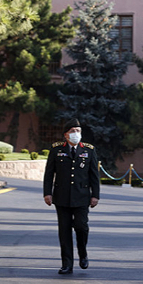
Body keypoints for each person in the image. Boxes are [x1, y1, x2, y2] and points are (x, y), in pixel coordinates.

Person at [43, 118, 100, 275]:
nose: (76, 134)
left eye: (78, 131)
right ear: (66, 135)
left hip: (82, 196)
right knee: (64, 231)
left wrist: (95, 195)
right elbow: (49, 174)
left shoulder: (89, 150)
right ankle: (67, 263)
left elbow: (94, 174)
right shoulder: (56, 150)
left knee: (82, 227)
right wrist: (47, 193)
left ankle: (83, 253)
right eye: (73, 131)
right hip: (61, 197)